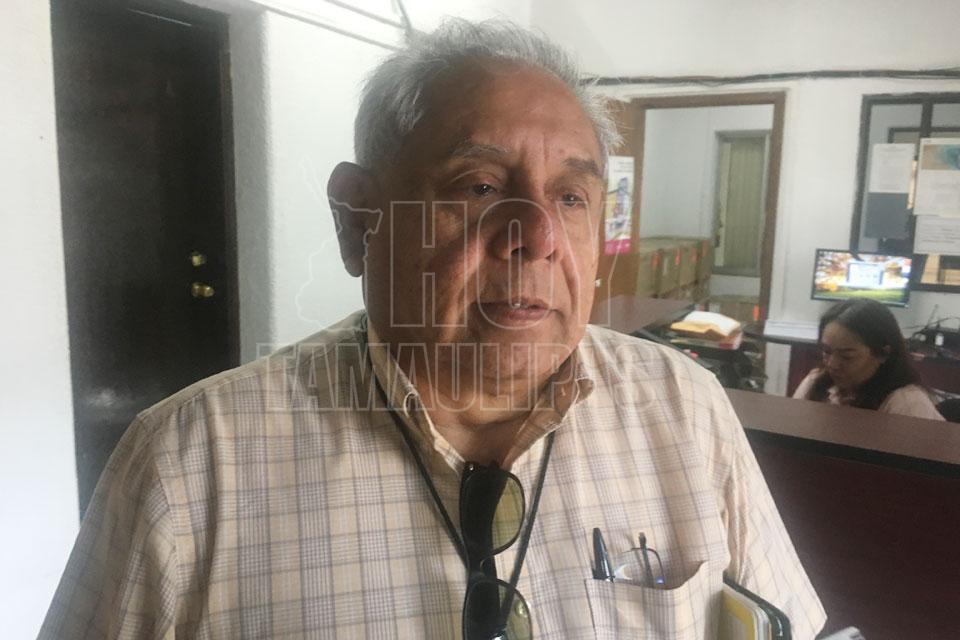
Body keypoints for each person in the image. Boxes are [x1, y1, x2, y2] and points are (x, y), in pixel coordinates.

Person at [40, 20, 826, 639]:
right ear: (358, 221)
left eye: (571, 198)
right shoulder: (189, 467)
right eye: (479, 186)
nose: (538, 237)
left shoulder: (685, 408)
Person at [793, 299, 944, 420]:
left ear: (883, 354)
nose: (832, 364)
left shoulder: (907, 404)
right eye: (826, 351)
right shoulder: (816, 380)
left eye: (847, 356)